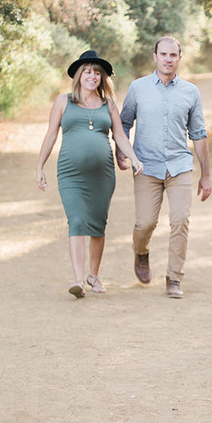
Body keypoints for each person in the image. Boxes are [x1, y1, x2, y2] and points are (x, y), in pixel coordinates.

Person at [36, 50, 143, 299]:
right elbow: (51, 135)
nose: (92, 76)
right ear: (79, 76)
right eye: (87, 72)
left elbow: (119, 136)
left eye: (97, 72)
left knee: (97, 225)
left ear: (102, 77)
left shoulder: (109, 104)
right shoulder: (63, 101)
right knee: (76, 221)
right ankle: (78, 280)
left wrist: (135, 158)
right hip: (70, 174)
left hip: (102, 176)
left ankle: (93, 276)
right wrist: (40, 166)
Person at [117, 35, 212, 298]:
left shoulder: (191, 92)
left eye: (173, 55)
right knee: (145, 223)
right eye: (163, 54)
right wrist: (120, 151)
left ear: (179, 58)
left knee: (180, 220)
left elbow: (199, 134)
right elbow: (124, 123)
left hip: (179, 166)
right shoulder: (138, 88)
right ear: (155, 57)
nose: (168, 59)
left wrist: (206, 175)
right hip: (145, 167)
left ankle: (174, 278)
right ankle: (141, 252)